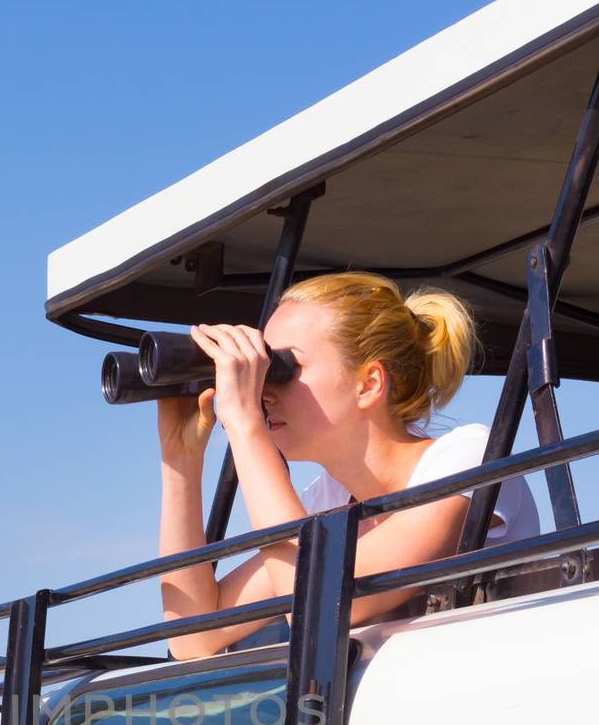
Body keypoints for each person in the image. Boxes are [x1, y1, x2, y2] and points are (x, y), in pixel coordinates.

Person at [156, 272, 539, 659]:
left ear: (369, 383)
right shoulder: (329, 500)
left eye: (281, 367)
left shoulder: (467, 457)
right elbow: (193, 634)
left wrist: (244, 424)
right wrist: (180, 459)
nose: (262, 390)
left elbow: (320, 603)